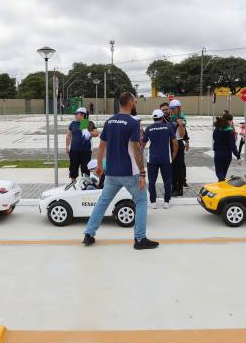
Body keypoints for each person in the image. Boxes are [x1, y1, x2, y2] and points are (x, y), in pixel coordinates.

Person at [81, 91, 156, 250]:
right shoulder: (133, 123)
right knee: (141, 201)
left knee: (102, 203)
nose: (135, 104)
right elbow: (136, 150)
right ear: (129, 103)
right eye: (135, 102)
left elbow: (101, 146)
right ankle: (140, 239)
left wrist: (100, 166)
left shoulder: (109, 121)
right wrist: (142, 172)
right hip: (131, 173)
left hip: (112, 173)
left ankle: (89, 234)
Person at [143, 109, 178, 208]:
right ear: (162, 117)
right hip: (166, 159)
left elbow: (142, 144)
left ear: (153, 118)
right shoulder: (168, 127)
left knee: (151, 181)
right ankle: (166, 202)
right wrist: (173, 155)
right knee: (167, 181)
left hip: (152, 159)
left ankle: (153, 202)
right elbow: (175, 143)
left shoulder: (149, 128)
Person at [169, 99, 190, 196]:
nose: (172, 110)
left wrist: (181, 124)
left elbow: (182, 134)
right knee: (172, 167)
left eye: (173, 108)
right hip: (170, 143)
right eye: (171, 108)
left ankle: (179, 189)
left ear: (179, 108)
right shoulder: (170, 117)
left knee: (179, 167)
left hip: (178, 143)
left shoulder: (181, 118)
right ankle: (173, 187)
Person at [66, 107, 93, 183]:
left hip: (85, 151)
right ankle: (73, 182)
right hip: (74, 150)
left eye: (77, 114)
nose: (75, 115)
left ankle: (86, 184)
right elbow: (68, 135)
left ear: (82, 115)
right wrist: (67, 146)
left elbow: (97, 133)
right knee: (73, 168)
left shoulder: (87, 123)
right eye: (76, 114)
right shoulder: (73, 124)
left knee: (85, 168)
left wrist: (89, 133)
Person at [212, 113, 241, 181]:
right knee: (223, 174)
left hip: (218, 154)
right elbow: (232, 146)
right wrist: (238, 156)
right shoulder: (230, 132)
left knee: (219, 173)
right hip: (227, 154)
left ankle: (221, 186)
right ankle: (222, 186)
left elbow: (214, 138)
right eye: (231, 121)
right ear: (229, 121)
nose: (232, 123)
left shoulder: (217, 129)